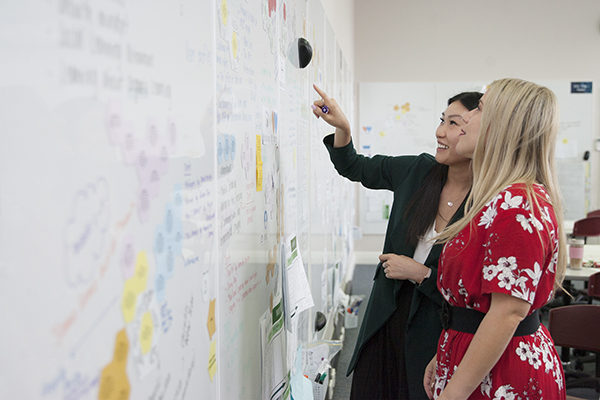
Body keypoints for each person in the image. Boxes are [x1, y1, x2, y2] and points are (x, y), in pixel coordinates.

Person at [311, 84, 483, 399]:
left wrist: (421, 274)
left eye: (453, 124)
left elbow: (475, 291)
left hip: (436, 327)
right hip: (385, 315)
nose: (440, 132)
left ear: (483, 134)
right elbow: (354, 166)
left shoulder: (488, 203)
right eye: (442, 120)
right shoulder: (417, 170)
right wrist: (343, 128)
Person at [423, 78, 567, 399]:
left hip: (504, 373)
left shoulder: (518, 204)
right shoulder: (498, 197)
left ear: (500, 126)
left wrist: (454, 393)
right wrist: (446, 353)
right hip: (479, 356)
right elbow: (481, 305)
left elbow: (507, 313)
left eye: (480, 110)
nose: (468, 119)